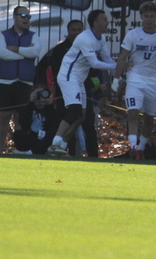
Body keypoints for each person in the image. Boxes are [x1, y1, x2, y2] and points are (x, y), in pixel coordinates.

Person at [47, 10, 116, 156]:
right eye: (104, 19)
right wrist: (117, 66)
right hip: (68, 76)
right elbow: (95, 63)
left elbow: (108, 60)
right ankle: (54, 144)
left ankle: (62, 145)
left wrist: (121, 77)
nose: (108, 22)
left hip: (79, 79)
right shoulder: (85, 38)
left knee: (82, 116)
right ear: (96, 23)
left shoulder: (101, 39)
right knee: (74, 110)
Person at [113, 1, 156, 159]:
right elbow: (123, 57)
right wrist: (116, 80)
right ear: (141, 16)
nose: (149, 19)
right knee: (132, 113)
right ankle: (133, 147)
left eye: (152, 16)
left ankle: (141, 148)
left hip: (153, 81)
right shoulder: (133, 34)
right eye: (146, 16)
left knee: (149, 117)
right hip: (135, 79)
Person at [0, 5, 41, 153]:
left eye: (28, 17)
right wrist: (24, 55)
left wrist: (15, 49)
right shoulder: (4, 35)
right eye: (23, 16)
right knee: (4, 116)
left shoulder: (33, 35)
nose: (26, 20)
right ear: (14, 17)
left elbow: (35, 51)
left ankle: (19, 149)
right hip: (5, 81)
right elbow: (1, 53)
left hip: (24, 82)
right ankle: (0, 150)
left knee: (20, 118)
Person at [13, 85, 60, 155]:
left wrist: (50, 105)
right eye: (37, 95)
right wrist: (31, 103)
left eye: (42, 94)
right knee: (18, 133)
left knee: (54, 131)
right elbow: (23, 122)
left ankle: (33, 152)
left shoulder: (50, 109)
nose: (40, 99)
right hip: (30, 137)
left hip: (44, 139)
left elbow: (56, 124)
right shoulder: (27, 108)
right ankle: (37, 151)